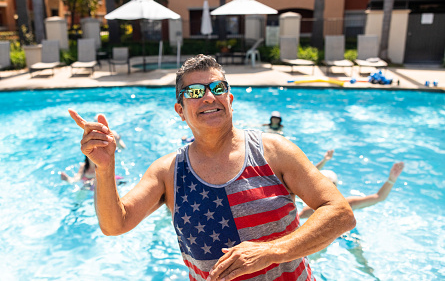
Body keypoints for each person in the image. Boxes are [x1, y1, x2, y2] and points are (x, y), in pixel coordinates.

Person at [68, 54, 355, 281]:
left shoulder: (274, 151)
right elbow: (114, 224)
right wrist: (105, 170)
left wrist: (271, 251)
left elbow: (340, 213)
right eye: (194, 91)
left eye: (217, 88)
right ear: (180, 110)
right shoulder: (168, 172)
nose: (208, 97)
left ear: (229, 100)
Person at [299, 161, 405, 219]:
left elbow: (378, 197)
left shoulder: (346, 204)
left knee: (358, 253)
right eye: (324, 185)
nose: (328, 190)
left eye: (332, 185)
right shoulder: (309, 210)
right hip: (326, 237)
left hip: (345, 235)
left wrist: (391, 180)